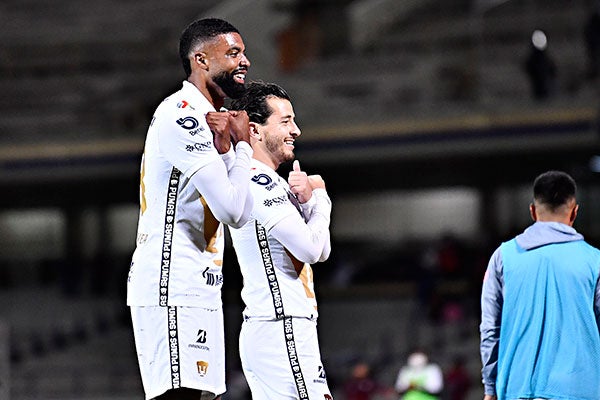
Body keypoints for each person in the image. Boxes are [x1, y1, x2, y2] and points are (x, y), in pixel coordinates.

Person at [127, 18, 254, 400]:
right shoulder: (182, 115)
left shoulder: (210, 120)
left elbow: (238, 205)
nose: (245, 61)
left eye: (244, 53)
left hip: (199, 284)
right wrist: (242, 146)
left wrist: (229, 150)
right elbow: (232, 211)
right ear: (201, 59)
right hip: (172, 282)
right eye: (233, 53)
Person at [228, 81, 334, 399]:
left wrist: (310, 204)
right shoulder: (257, 179)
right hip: (281, 325)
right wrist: (322, 198)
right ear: (254, 130)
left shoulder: (269, 181)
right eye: (285, 121)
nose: (296, 131)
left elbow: (322, 249)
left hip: (280, 326)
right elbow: (312, 249)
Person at [480, 170, 600, 400]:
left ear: (533, 211)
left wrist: (490, 388)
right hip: (580, 391)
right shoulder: (595, 261)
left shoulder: (502, 257)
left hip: (517, 389)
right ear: (574, 212)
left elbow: (490, 329)